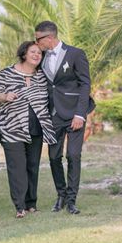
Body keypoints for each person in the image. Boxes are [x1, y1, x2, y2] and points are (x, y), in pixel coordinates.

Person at [0, 41, 57, 218]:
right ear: (24, 53)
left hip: (37, 128)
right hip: (12, 128)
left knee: (32, 167)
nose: (37, 55)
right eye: (33, 52)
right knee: (17, 168)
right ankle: (20, 207)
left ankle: (31, 204)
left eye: (40, 53)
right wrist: (4, 96)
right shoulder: (7, 73)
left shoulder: (42, 75)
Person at [34, 21, 95, 214]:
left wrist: (80, 113)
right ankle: (61, 194)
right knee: (53, 157)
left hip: (74, 113)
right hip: (53, 115)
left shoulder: (76, 54)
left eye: (38, 39)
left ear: (49, 37)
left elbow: (85, 84)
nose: (36, 42)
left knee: (73, 155)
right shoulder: (40, 57)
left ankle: (71, 200)